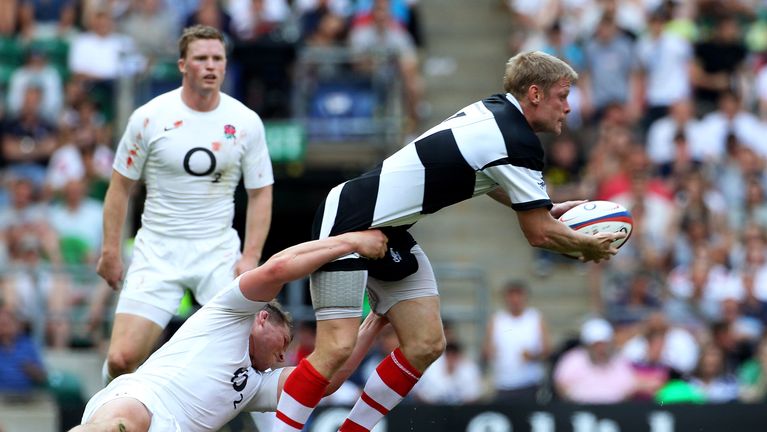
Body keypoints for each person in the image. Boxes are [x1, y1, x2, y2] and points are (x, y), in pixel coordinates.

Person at [273, 50, 626, 432]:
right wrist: (585, 246)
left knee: (426, 343)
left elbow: (491, 181)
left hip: (389, 230)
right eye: (563, 95)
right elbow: (538, 233)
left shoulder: (498, 112)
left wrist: (546, 206)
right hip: (348, 218)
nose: (569, 107)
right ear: (536, 94)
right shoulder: (515, 138)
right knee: (336, 349)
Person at [71, 230, 389, 432]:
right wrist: (350, 242)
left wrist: (376, 319)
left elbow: (325, 381)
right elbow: (278, 268)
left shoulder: (254, 386)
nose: (283, 355)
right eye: (283, 342)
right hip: (140, 398)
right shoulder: (229, 314)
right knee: (119, 426)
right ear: (262, 319)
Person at [96, 24, 274, 382]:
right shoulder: (149, 117)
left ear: (225, 65)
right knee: (121, 358)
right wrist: (111, 251)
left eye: (217, 59)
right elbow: (119, 187)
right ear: (182, 65)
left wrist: (251, 255)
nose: (210, 66)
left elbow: (261, 191)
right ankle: (109, 416)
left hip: (217, 252)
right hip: (158, 250)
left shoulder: (245, 122)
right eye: (201, 59)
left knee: (252, 356)